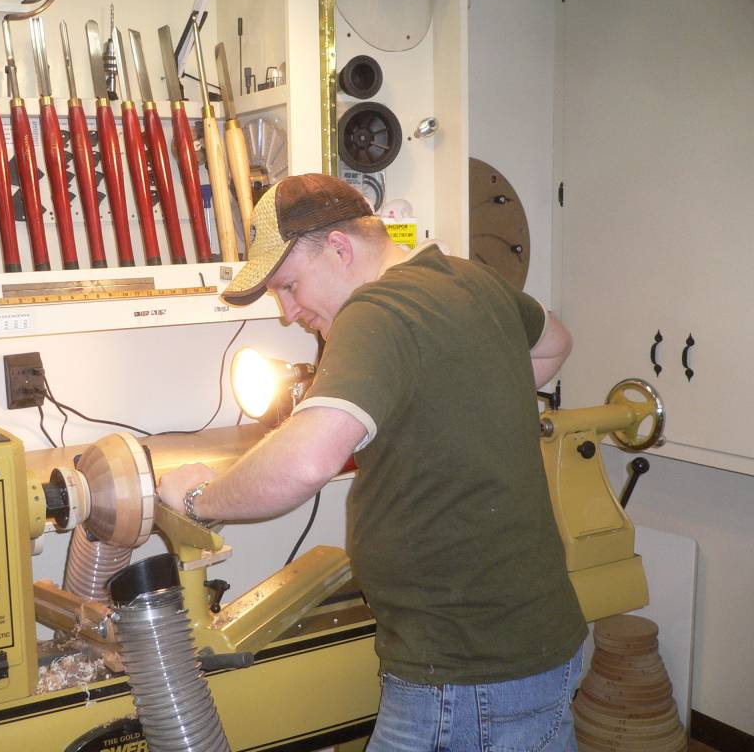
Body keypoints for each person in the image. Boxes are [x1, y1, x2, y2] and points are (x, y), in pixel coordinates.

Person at [157, 173, 587, 751]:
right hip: (529, 642)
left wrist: (196, 498)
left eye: (289, 285)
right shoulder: (468, 278)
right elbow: (553, 342)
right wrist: (450, 402)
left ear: (339, 249)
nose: (287, 312)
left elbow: (308, 463)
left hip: (466, 673)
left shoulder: (376, 310)